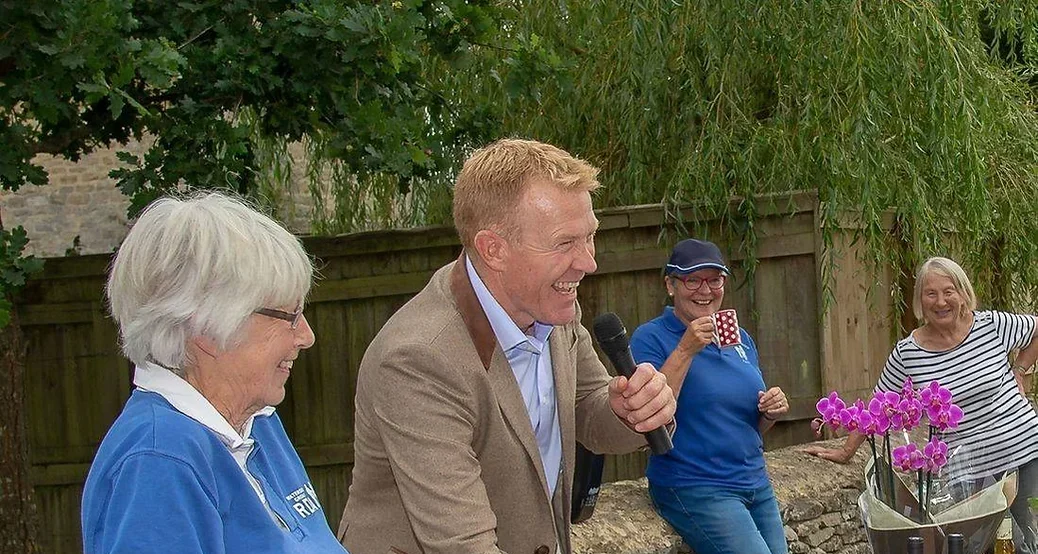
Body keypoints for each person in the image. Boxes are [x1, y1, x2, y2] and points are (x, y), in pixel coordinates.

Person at [338, 138, 677, 554]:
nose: (589, 262)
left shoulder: (553, 310)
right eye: (565, 243)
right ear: (493, 249)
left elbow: (588, 407)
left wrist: (629, 411)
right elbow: (463, 545)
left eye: (590, 237)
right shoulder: (418, 360)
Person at [81, 193, 347, 554]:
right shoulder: (158, 462)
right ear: (206, 329)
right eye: (289, 316)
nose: (306, 336)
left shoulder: (257, 422)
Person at [804, 256, 1038, 554]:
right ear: (920, 301)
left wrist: (1021, 369)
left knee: (1030, 541)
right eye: (931, 293)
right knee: (986, 547)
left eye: (949, 291)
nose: (941, 301)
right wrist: (846, 450)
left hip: (1025, 453)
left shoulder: (991, 325)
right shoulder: (908, 353)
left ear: (963, 293)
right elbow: (878, 404)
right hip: (968, 472)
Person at [629, 238, 790, 554]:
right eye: (692, 280)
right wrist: (686, 349)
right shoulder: (651, 337)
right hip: (695, 485)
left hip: (754, 482)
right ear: (670, 285)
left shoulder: (739, 338)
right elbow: (649, 414)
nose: (705, 290)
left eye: (714, 279)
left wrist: (769, 412)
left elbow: (746, 426)